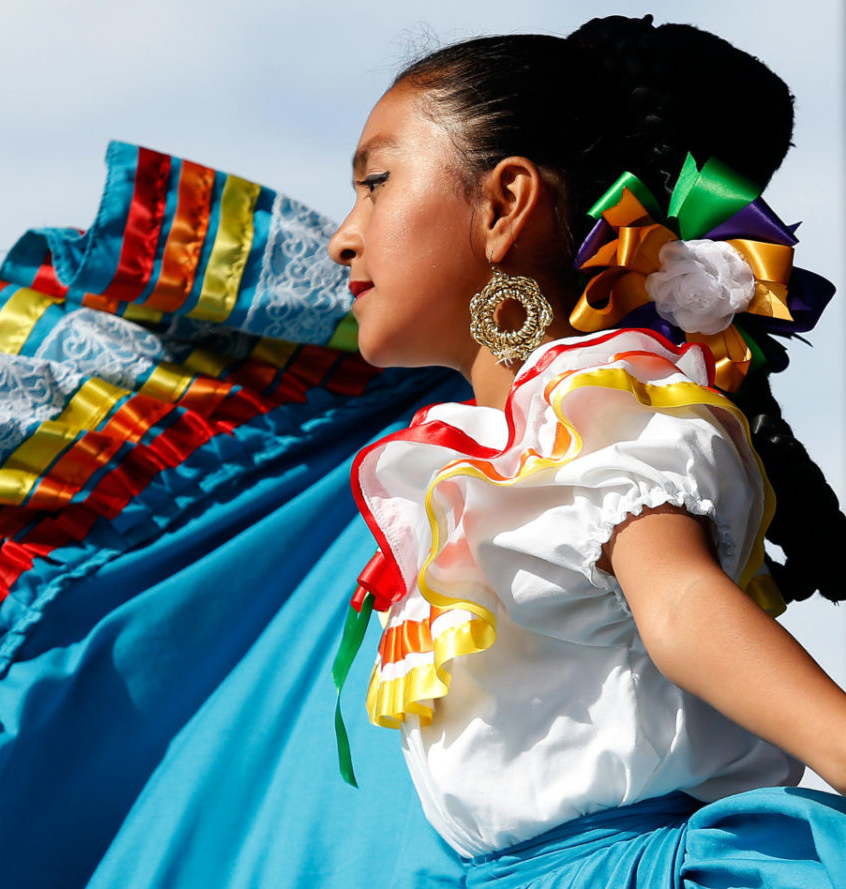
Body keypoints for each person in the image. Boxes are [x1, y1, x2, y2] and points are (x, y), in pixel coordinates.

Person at [328, 14, 846, 887]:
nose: (345, 233)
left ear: (504, 203)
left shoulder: (607, 402)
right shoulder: (496, 450)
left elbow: (681, 608)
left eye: (375, 181)